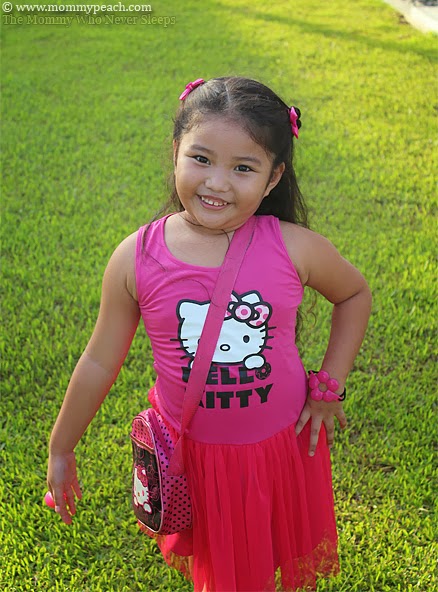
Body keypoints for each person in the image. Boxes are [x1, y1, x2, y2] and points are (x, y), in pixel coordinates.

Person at [47, 76, 372, 592]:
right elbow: (99, 361)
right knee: (226, 572)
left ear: (273, 177)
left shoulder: (295, 247)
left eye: (243, 168)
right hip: (195, 459)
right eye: (201, 159)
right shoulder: (137, 258)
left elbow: (354, 295)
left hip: (276, 451)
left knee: (260, 557)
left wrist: (329, 386)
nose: (217, 183)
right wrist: (61, 446)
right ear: (175, 150)